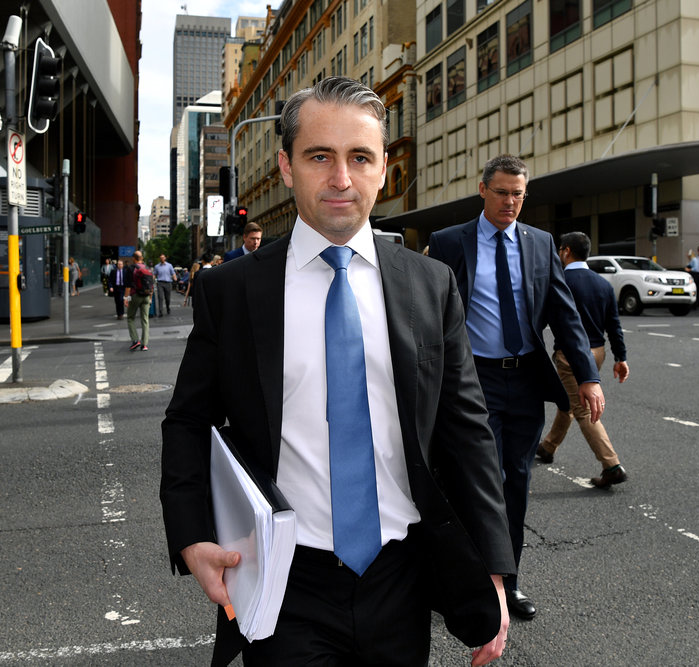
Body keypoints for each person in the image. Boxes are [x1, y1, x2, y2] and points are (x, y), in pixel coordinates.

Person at [161, 77, 513, 667]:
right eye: (320, 156)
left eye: (360, 158)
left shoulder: (431, 285)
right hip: (284, 582)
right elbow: (188, 421)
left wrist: (494, 572)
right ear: (286, 166)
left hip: (402, 577)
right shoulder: (232, 291)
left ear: (384, 170)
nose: (341, 179)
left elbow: (468, 431)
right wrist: (192, 536)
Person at [429, 154, 603, 622]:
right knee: (479, 481)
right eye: (502, 192)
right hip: (473, 380)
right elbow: (428, 315)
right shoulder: (449, 242)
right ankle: (469, 580)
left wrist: (588, 376)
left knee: (517, 482)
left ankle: (508, 582)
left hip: (525, 379)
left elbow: (565, 314)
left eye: (518, 194)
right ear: (482, 190)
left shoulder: (540, 243)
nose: (510, 202)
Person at [536, 232, 629, 487]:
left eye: (559, 250)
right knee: (569, 399)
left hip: (570, 354)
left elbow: (542, 319)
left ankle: (611, 465)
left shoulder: (560, 282)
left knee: (582, 408)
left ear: (566, 251)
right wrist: (621, 357)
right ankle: (548, 446)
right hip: (597, 352)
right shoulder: (603, 285)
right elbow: (614, 325)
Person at [124, 251, 151, 350]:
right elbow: (151, 284)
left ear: (133, 258)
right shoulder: (147, 268)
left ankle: (135, 340)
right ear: (141, 258)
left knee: (130, 318)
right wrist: (150, 297)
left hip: (135, 295)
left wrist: (126, 298)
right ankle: (144, 344)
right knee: (145, 319)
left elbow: (128, 286)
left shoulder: (131, 268)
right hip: (146, 296)